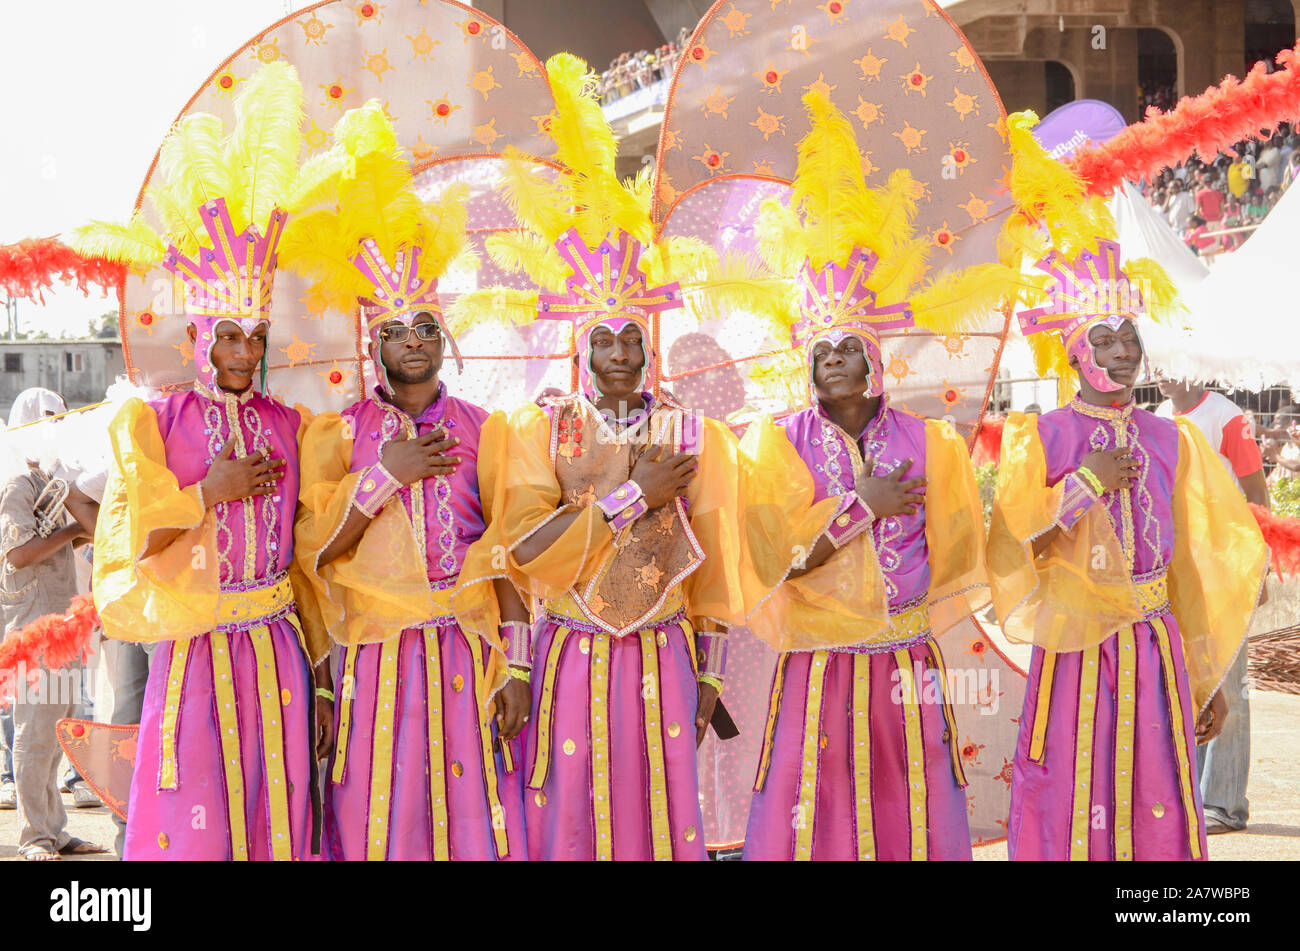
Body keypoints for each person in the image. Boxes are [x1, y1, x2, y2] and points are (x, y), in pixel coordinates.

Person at [479, 54, 744, 860]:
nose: (622, 353)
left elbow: (718, 566)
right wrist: (633, 495)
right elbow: (523, 550)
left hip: (661, 650)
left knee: (662, 813)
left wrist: (710, 674)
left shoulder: (690, 429)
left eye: (634, 337)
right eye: (606, 340)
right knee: (572, 814)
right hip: (568, 652)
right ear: (581, 346)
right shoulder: (543, 427)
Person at [78, 63, 333, 860]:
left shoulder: (290, 424)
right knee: (199, 821)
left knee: (278, 816)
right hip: (194, 655)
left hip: (279, 649)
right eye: (228, 334)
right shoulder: (150, 423)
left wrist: (320, 667)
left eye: (254, 337)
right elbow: (128, 554)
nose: (244, 352)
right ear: (197, 337)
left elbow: (312, 550)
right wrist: (205, 491)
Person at [735, 93, 997, 861]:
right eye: (822, 353)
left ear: (876, 356)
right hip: (815, 664)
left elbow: (956, 555)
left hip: (905, 663)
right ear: (806, 366)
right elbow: (774, 558)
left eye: (848, 346)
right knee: (813, 812)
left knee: (907, 805)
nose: (835, 362)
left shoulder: (930, 443)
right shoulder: (774, 444)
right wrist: (859, 509)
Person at [989, 188, 1267, 859]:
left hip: (1155, 649)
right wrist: (1086, 484)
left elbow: (1189, 568)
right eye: (1102, 340)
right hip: (1075, 650)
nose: (1120, 353)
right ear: (1074, 354)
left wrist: (1206, 679)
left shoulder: (1171, 439)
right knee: (1074, 789)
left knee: (1155, 795)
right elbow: (1014, 555)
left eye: (1129, 338)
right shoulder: (1043, 438)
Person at [290, 103, 529, 860]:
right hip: (375, 660)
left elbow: (510, 552)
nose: (415, 343)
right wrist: (381, 479)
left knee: (470, 821)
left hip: (465, 652)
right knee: (378, 822)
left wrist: (517, 662)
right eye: (398, 331)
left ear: (444, 335)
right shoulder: (337, 434)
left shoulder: (486, 427)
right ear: (374, 341)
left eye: (427, 327)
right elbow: (314, 555)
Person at [1155, 379, 1268, 835]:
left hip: (1224, 567)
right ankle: (1195, 796)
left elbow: (1257, 494)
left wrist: (1254, 567)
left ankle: (1224, 803)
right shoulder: (1160, 416)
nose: (1163, 371)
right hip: (1180, 571)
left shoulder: (1226, 415)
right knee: (1191, 679)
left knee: (1229, 683)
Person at [0, 390, 106, 859]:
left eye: (60, 418)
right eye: (45, 419)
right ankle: (34, 836)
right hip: (31, 628)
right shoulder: (17, 485)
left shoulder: (59, 478)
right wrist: (73, 530)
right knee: (33, 734)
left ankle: (55, 831)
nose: (55, 426)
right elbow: (17, 554)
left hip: (63, 626)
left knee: (59, 728)